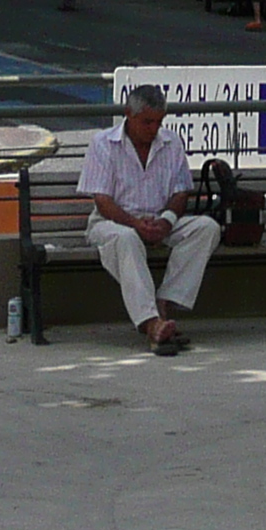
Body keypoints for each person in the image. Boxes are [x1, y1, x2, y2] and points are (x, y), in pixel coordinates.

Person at [78, 85, 220, 353]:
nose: (153, 129)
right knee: (127, 239)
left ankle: (165, 301)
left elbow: (181, 192)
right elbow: (103, 201)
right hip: (114, 223)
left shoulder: (171, 142)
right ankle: (151, 322)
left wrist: (166, 221)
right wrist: (135, 223)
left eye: (158, 122)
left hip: (159, 220)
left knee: (206, 228)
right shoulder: (103, 143)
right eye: (147, 122)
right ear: (128, 115)